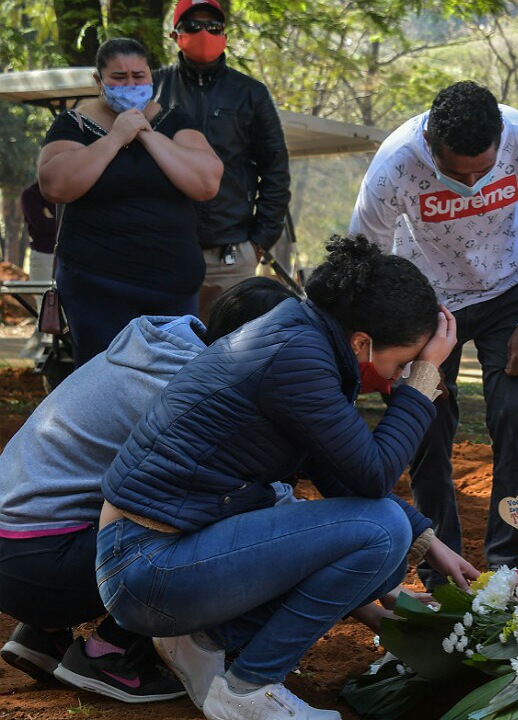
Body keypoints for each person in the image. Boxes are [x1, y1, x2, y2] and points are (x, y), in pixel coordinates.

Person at [95, 237, 478, 720]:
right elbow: (376, 476)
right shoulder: (296, 355)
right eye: (403, 364)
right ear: (362, 342)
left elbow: (344, 475)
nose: (399, 378)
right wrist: (423, 383)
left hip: (159, 557)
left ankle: (206, 640)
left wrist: (428, 543)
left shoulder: (303, 341)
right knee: (382, 531)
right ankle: (248, 690)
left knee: (389, 541)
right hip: (147, 567)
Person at [0, 280, 292, 703]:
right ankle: (110, 653)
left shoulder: (158, 347)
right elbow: (257, 500)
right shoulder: (200, 390)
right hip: (43, 564)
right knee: (220, 519)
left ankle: (43, 634)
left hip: (22, 552)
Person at [349, 81, 518, 580]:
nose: (471, 183)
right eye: (455, 172)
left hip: (509, 290)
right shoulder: (394, 166)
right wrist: (400, 348)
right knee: (424, 426)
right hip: (423, 304)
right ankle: (440, 567)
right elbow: (366, 257)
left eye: (482, 171)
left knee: (514, 417)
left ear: (501, 138)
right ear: (430, 143)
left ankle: (512, 563)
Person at [36, 38, 222, 367]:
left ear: (151, 77)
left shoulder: (175, 122)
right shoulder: (74, 124)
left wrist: (147, 134)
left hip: (173, 285)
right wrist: (117, 137)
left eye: (138, 76)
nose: (131, 85)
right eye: (119, 78)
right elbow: (55, 186)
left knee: (173, 381)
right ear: (99, 81)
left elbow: (206, 183)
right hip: (96, 286)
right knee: (103, 379)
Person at [154, 0, 292, 321]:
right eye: (193, 26)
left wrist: (258, 243)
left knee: (231, 346)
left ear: (225, 36)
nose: (204, 33)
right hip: (165, 252)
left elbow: (276, 170)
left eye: (213, 27)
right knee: (166, 345)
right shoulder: (153, 89)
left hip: (231, 256)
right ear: (175, 35)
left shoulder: (251, 93)